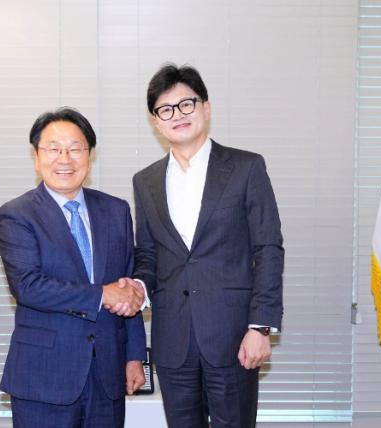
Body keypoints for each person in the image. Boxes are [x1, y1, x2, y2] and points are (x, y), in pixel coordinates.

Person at [133, 64, 284, 428]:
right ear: (155, 122)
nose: (177, 114)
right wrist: (137, 287)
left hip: (234, 336)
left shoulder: (246, 168)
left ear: (206, 108)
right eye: (165, 109)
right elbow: (148, 253)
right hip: (173, 340)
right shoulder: (145, 181)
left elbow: (268, 248)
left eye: (186, 104)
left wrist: (261, 326)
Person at [0, 107, 147, 428]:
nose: (65, 159)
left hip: (108, 374)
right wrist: (101, 295)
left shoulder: (116, 210)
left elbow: (128, 286)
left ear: (89, 156)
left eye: (75, 148)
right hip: (44, 375)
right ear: (36, 157)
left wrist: (135, 356)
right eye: (53, 149)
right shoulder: (17, 214)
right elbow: (28, 286)